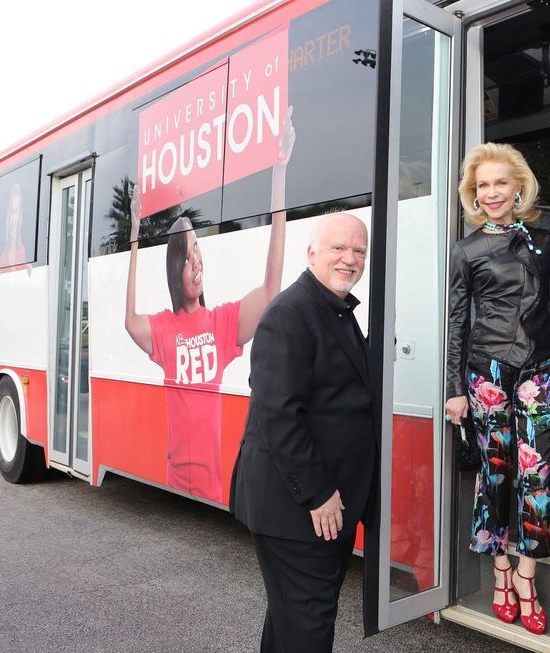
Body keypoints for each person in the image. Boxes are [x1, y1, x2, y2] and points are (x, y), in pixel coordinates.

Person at [124, 107, 295, 503]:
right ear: (174, 272)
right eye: (185, 257)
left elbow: (271, 289)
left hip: (212, 482)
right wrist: (133, 236)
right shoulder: (163, 328)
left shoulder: (221, 323)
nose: (195, 261)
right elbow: (130, 321)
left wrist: (280, 171)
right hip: (173, 473)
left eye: (197, 248)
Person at [445, 142, 550, 636]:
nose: (493, 192)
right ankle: (499, 570)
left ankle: (527, 575)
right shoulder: (467, 250)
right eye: (483, 185)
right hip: (486, 377)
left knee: (536, 477)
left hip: (538, 372)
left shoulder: (541, 242)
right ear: (474, 195)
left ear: (519, 186)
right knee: (496, 474)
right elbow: (458, 321)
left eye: (501, 182)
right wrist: (455, 387)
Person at [230, 212, 376, 653]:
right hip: (299, 509)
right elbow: (278, 414)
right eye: (338, 248)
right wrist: (317, 493)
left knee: (294, 619)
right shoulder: (290, 313)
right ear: (311, 252)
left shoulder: (335, 308)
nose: (349, 259)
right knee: (308, 626)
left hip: (320, 506)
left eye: (359, 251)